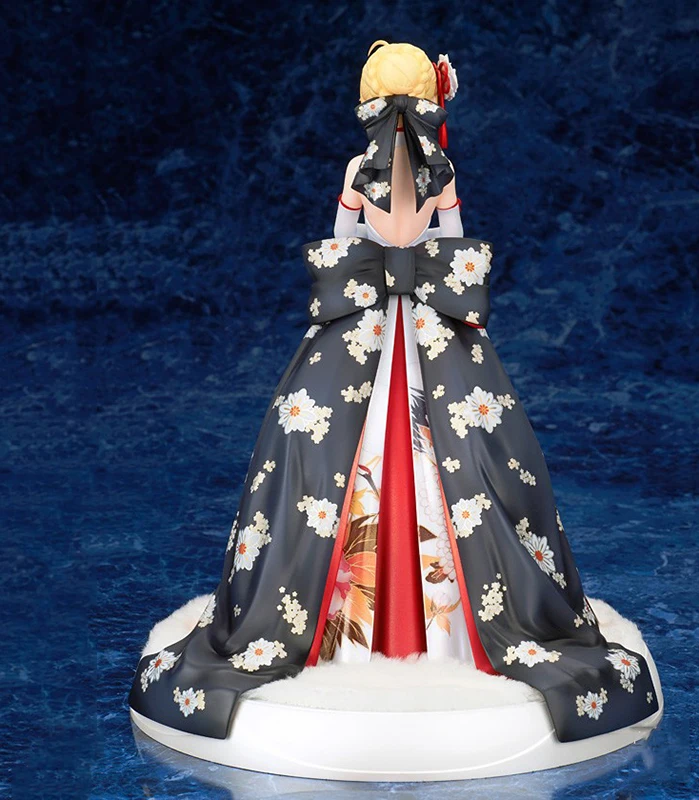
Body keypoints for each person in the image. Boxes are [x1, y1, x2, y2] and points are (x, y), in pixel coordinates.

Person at [128, 40, 659, 745]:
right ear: (432, 103)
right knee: (477, 456)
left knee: (316, 457)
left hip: (363, 328)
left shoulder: (358, 169)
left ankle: (338, 632)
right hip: (433, 331)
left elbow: (343, 237)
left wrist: (380, 257)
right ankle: (455, 632)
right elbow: (454, 241)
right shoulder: (442, 171)